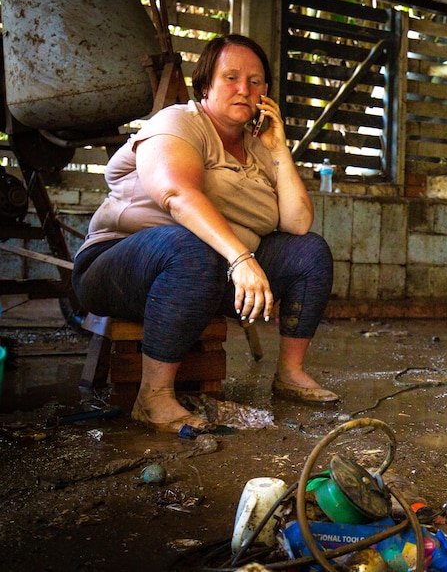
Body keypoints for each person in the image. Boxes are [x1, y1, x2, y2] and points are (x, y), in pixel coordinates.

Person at [72, 34, 337, 434]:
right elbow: (177, 195)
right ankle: (154, 397)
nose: (245, 89)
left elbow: (298, 223)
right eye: (231, 77)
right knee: (190, 248)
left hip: (209, 274)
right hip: (117, 266)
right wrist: (242, 258)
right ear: (206, 85)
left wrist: (280, 148)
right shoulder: (178, 122)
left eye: (256, 81)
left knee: (311, 252)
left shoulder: (260, 148)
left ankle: (290, 374)